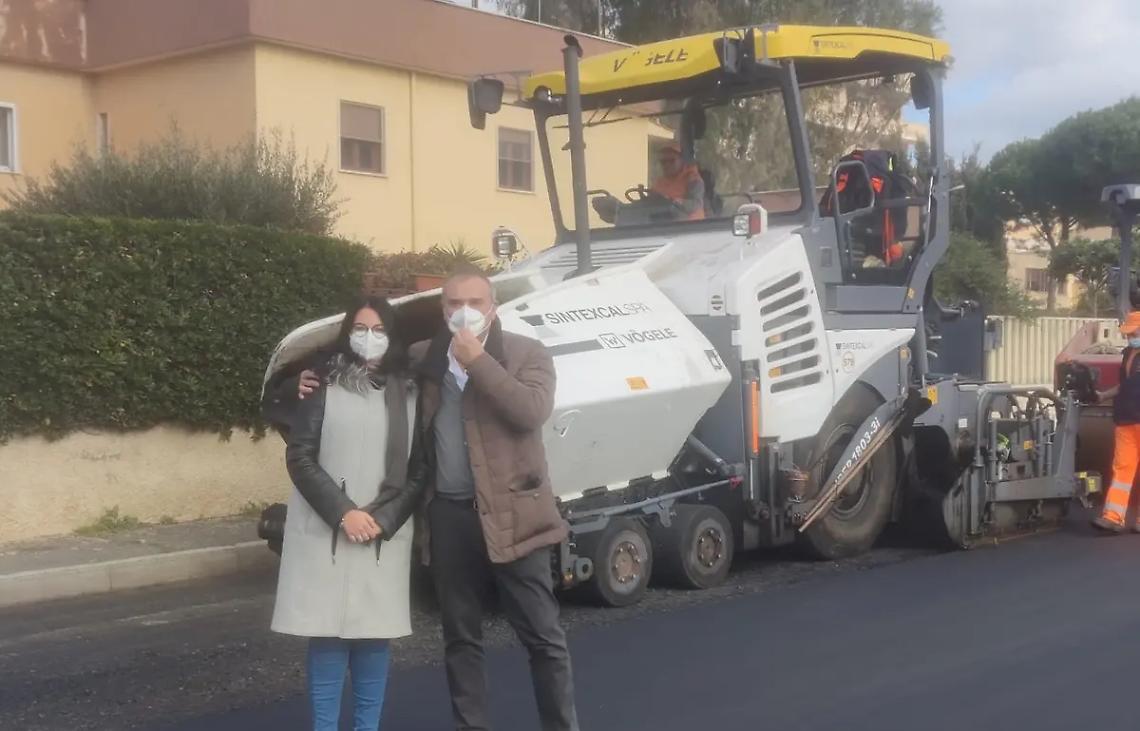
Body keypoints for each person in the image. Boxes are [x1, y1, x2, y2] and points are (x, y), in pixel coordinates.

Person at [370, 269, 579, 731]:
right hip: (449, 517)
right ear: (442, 310)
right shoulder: (427, 357)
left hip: (517, 516)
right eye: (452, 303)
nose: (463, 311)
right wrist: (307, 378)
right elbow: (368, 371)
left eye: (475, 302)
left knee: (543, 638)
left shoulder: (528, 352)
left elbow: (530, 412)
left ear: (493, 308)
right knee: (461, 638)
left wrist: (480, 361)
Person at [270, 294, 416, 731]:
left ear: (392, 338)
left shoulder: (409, 394)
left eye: (378, 330)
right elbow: (301, 457)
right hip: (328, 529)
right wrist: (344, 513)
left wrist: (384, 519)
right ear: (347, 333)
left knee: (374, 637)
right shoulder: (321, 386)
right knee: (329, 636)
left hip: (382, 533)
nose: (368, 339)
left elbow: (421, 467)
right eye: (360, 329)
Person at [1090, 311, 1140, 534]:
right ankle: (1113, 517)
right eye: (1128, 334)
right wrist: (1102, 396)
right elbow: (1124, 386)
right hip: (1126, 420)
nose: (1129, 337)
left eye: (1133, 333)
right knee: (1121, 470)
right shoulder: (1128, 353)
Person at [650, 140, 705, 221]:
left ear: (682, 160)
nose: (667, 165)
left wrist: (673, 201)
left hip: (690, 228)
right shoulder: (660, 182)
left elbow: (696, 204)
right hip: (665, 224)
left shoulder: (693, 179)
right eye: (663, 162)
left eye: (672, 161)